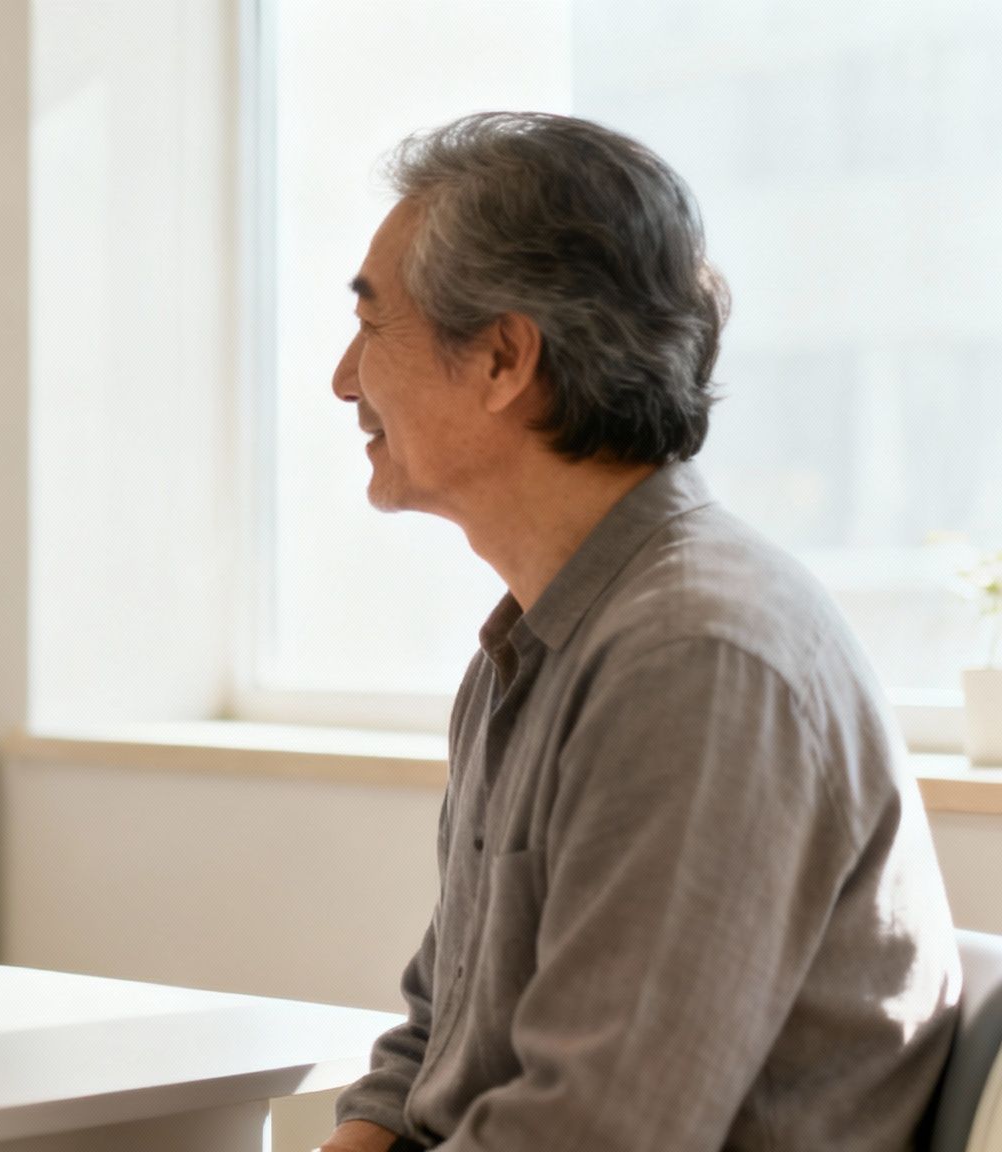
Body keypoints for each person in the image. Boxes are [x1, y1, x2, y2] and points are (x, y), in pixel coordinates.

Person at [319, 112, 959, 1151]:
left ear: (501, 358)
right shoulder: (532, 647)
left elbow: (598, 1131)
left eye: (370, 324)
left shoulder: (695, 659)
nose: (343, 378)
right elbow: (430, 1050)